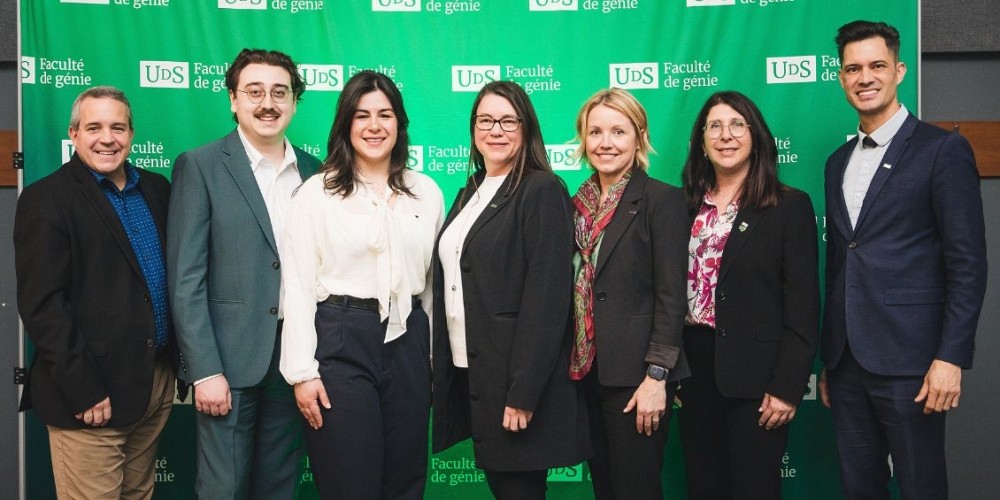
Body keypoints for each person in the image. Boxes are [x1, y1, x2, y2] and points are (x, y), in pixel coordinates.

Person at [818, 20, 988, 500]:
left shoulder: (942, 150)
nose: (864, 77)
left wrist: (951, 356)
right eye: (852, 68)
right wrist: (832, 358)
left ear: (899, 70)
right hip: (847, 361)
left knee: (921, 486)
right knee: (859, 488)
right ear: (840, 77)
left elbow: (968, 264)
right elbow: (839, 264)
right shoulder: (837, 162)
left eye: (876, 66)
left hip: (913, 361)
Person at [279, 70, 443, 499]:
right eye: (362, 115)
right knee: (351, 483)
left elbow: (430, 288)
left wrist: (430, 361)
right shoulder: (316, 194)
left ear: (399, 124)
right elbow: (296, 285)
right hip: (340, 339)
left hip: (408, 341)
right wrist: (302, 373)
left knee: (406, 479)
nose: (374, 126)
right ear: (345, 125)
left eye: (385, 115)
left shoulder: (426, 193)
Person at [14, 86, 182, 499]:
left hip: (152, 383)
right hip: (92, 393)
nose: (107, 138)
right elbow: (43, 307)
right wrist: (85, 388)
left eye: (117, 127)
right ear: (74, 134)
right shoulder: (46, 199)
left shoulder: (156, 189)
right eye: (94, 127)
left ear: (131, 133)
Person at [167, 48, 320, 498]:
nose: (267, 103)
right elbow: (185, 279)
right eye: (254, 92)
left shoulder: (317, 173)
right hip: (227, 365)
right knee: (224, 488)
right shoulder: (201, 165)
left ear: (295, 102)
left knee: (280, 487)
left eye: (280, 92)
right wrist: (204, 369)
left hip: (294, 361)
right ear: (233, 99)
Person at [431, 81, 591, 500]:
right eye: (485, 120)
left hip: (514, 381)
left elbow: (546, 301)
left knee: (519, 490)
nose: (495, 130)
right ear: (473, 129)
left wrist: (523, 392)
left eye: (507, 120)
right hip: (473, 371)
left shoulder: (541, 190)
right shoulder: (471, 191)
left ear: (526, 128)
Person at [678, 90, 819, 499]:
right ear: (701, 141)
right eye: (715, 126)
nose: (726, 135)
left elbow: (804, 306)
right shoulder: (683, 206)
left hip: (759, 380)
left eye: (737, 124)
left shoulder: (788, 206)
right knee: (704, 487)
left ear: (755, 136)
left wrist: (788, 386)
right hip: (694, 373)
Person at [566, 88, 688, 500]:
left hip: (638, 379)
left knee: (636, 489)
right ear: (583, 139)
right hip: (587, 373)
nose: (605, 143)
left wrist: (657, 376)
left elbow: (673, 298)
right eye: (595, 131)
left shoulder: (662, 200)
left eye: (618, 131)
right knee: (605, 489)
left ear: (639, 137)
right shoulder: (575, 206)